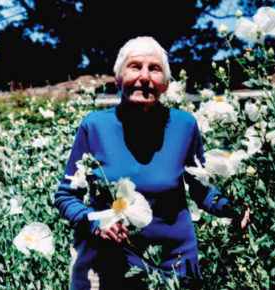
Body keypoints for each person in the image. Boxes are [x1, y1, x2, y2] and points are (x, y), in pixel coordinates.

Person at [55, 36, 250, 289]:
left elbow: (201, 188)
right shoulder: (94, 127)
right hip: (108, 265)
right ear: (117, 79)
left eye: (154, 69)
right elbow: (65, 196)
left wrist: (229, 207)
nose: (144, 77)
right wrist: (95, 222)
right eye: (134, 67)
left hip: (175, 264)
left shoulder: (184, 126)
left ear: (166, 84)